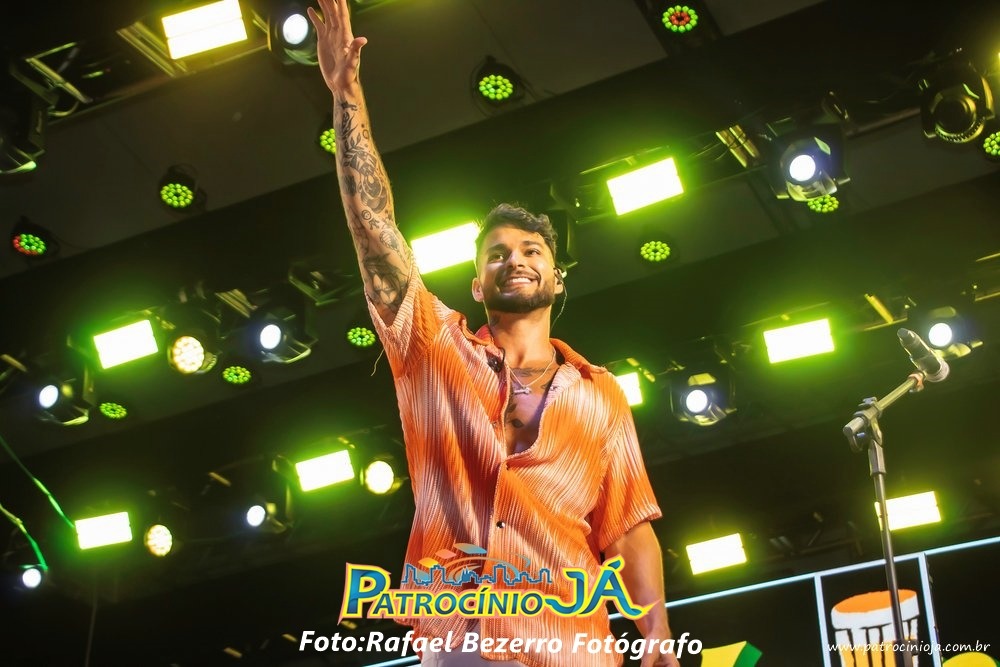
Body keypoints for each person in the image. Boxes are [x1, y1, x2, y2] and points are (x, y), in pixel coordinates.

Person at [308, 2, 680, 665]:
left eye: (533, 250)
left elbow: (628, 529)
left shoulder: (601, 394)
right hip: (461, 639)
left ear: (557, 278)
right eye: (497, 254)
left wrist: (656, 634)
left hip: (573, 646)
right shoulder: (432, 347)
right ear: (477, 285)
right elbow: (374, 230)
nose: (516, 259)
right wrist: (345, 94)